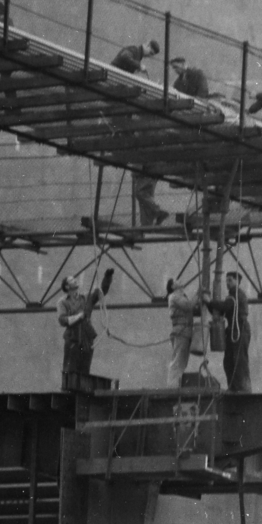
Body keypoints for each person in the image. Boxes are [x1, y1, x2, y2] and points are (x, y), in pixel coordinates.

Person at [114, 39, 166, 225]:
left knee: (141, 193)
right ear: (146, 45)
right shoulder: (132, 50)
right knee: (143, 193)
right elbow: (124, 56)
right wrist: (139, 66)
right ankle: (150, 222)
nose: (149, 56)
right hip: (146, 164)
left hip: (146, 164)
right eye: (150, 52)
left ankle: (152, 219)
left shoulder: (147, 127)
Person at [58, 266, 116, 389]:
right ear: (67, 287)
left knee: (85, 367)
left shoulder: (86, 297)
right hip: (73, 337)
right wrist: (79, 316)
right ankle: (69, 390)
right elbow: (62, 320)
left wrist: (107, 277)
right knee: (70, 369)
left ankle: (82, 389)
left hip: (86, 336)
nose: (75, 280)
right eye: (72, 280)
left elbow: (101, 292)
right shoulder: (62, 302)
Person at [206, 270, 252, 392]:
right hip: (234, 330)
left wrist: (210, 302)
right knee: (229, 361)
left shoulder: (237, 294)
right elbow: (221, 310)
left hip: (240, 329)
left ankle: (242, 389)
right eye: (226, 280)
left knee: (238, 361)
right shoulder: (231, 296)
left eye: (230, 280)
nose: (227, 283)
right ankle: (234, 388)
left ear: (238, 282)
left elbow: (225, 307)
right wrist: (210, 305)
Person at [165, 277, 198, 387]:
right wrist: (198, 294)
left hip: (184, 331)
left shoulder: (180, 296)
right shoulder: (175, 296)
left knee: (181, 362)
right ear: (173, 287)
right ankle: (172, 387)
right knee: (178, 361)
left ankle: (175, 386)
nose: (179, 280)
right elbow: (188, 306)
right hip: (181, 331)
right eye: (176, 280)